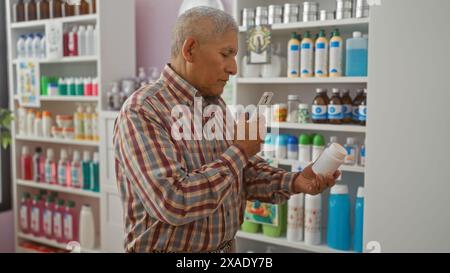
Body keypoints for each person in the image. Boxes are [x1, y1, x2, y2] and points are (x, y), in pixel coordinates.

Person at [113, 7, 339, 253]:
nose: (233, 68)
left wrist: (294, 181)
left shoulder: (213, 103)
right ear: (190, 50)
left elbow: (238, 174)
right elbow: (173, 202)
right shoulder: (143, 111)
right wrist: (240, 150)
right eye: (225, 54)